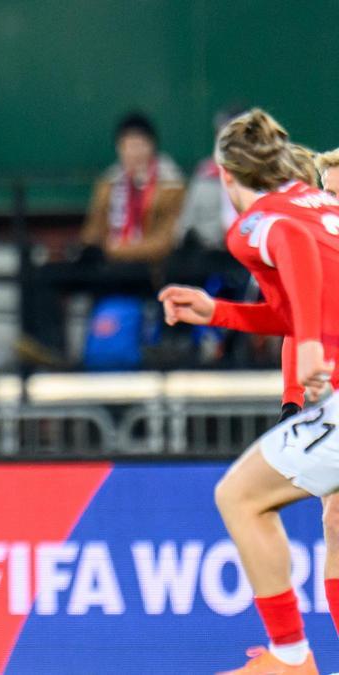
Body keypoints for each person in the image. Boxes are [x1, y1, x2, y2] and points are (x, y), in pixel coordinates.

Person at [159, 109, 339, 674]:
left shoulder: (257, 221)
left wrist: (309, 343)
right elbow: (286, 309)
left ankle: (290, 658)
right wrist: (216, 311)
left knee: (240, 496)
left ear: (228, 178)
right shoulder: (324, 205)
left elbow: (292, 248)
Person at [20, 112, 185, 364]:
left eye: (140, 145)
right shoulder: (110, 182)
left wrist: (116, 250)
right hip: (107, 266)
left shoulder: (170, 184)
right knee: (45, 275)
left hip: (146, 270)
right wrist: (84, 248)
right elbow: (93, 231)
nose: (134, 153)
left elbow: (165, 241)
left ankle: (159, 352)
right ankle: (51, 351)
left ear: (152, 147)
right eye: (127, 146)